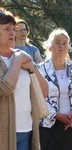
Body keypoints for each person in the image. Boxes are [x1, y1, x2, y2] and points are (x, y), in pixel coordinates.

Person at [0, 8, 48, 150]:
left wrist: (33, 68)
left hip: (27, 129)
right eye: (6, 29)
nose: (12, 33)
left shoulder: (23, 58)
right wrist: (18, 60)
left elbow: (44, 92)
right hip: (3, 132)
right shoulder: (19, 58)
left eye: (13, 29)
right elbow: (4, 88)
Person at [38, 28, 72, 150]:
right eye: (57, 42)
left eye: (64, 43)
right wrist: (56, 115)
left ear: (68, 47)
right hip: (48, 124)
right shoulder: (39, 70)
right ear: (49, 46)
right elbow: (37, 98)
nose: (61, 45)